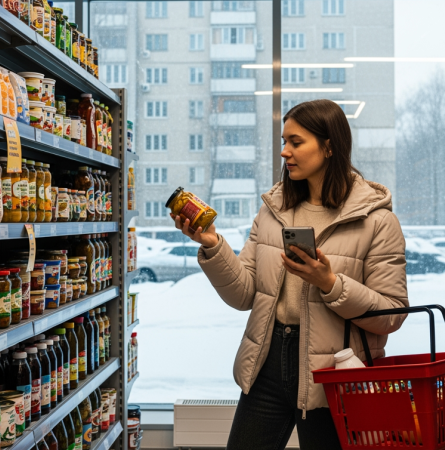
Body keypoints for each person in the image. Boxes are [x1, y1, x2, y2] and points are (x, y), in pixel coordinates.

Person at [171, 99, 409, 450]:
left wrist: (330, 284)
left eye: (296, 142)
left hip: (333, 375)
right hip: (268, 361)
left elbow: (392, 313)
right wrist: (213, 246)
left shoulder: (377, 221)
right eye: (284, 142)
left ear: (329, 146)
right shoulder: (274, 211)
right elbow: (244, 295)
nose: (285, 152)